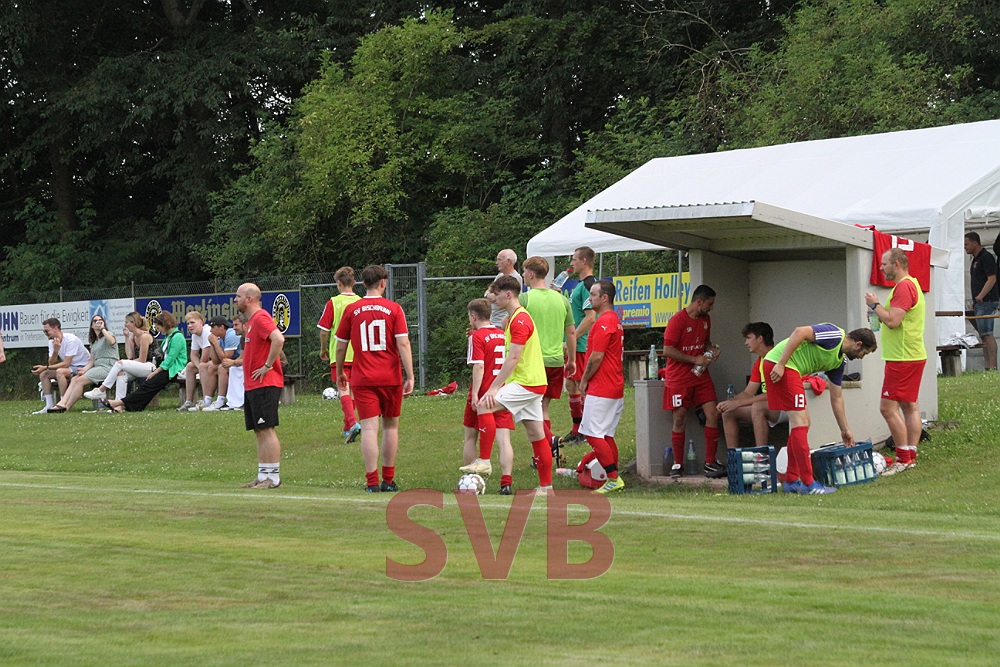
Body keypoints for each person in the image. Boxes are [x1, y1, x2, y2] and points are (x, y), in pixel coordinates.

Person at [765, 324, 878, 494]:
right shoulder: (834, 335)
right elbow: (800, 332)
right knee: (800, 422)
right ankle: (808, 483)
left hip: (788, 368)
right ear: (858, 344)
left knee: (803, 423)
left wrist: (845, 429)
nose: (862, 357)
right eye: (865, 353)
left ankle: (791, 480)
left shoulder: (839, 361)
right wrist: (781, 364)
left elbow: (836, 397)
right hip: (781, 365)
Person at [335, 265, 415, 493]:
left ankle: (372, 482)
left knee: (370, 429)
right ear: (383, 283)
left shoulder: (352, 309)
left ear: (363, 284)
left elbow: (341, 346)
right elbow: (403, 343)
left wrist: (340, 371)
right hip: (390, 376)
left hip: (363, 377)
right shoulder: (394, 309)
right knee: (390, 427)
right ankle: (388, 480)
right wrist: (410, 375)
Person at [479, 275, 554, 494]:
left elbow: (513, 358)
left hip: (526, 383)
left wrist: (494, 387)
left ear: (509, 294)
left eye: (497, 294)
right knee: (536, 434)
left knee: (484, 405)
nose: (494, 299)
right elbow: (491, 296)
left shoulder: (520, 320)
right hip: (533, 382)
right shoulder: (514, 318)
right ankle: (546, 487)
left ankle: (484, 460)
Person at [865, 248, 926, 475]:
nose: (881, 268)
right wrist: (879, 312)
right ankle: (911, 456)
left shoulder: (903, 287)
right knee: (909, 406)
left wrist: (875, 305)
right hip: (911, 354)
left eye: (884, 264)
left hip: (902, 357)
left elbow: (893, 321)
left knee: (887, 408)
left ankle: (903, 458)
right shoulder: (912, 284)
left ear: (897, 264)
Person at [661, 284, 723, 478]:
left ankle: (710, 462)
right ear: (699, 301)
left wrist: (711, 350)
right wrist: (694, 359)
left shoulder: (705, 320)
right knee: (679, 418)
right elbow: (667, 350)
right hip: (679, 378)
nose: (711, 308)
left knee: (713, 414)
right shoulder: (677, 321)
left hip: (700, 376)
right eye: (709, 304)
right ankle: (678, 464)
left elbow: (705, 342)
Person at [518, 256, 576, 459]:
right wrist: (572, 360)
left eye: (524, 271)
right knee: (543, 407)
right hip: (556, 361)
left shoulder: (525, 299)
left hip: (533, 362)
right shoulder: (561, 299)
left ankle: (548, 444)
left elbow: (509, 324)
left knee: (529, 410)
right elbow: (571, 332)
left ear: (531, 274)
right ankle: (544, 454)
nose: (522, 275)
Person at [458, 298, 516, 494]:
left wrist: (475, 393)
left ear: (473, 317)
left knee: (470, 436)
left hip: (484, 391)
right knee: (504, 438)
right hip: (502, 392)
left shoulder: (477, 337)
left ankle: (470, 479)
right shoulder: (502, 334)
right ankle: (506, 482)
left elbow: (479, 366)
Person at [236, 283, 286, 489]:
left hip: (265, 383)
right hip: (253, 385)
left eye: (238, 296)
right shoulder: (251, 322)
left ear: (249, 299)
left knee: (266, 429)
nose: (235, 300)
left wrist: (267, 366)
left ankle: (273, 478)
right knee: (259, 430)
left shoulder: (261, 318)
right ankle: (263, 475)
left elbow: (278, 339)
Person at [579, 280, 626, 494]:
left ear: (604, 297)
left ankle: (613, 478)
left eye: (593, 294)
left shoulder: (604, 321)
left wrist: (584, 380)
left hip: (602, 387)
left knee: (592, 434)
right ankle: (613, 476)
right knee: (606, 435)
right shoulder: (613, 319)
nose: (590, 298)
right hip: (614, 385)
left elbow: (596, 357)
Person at [718, 322, 787, 449]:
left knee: (757, 407)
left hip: (788, 406)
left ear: (760, 339)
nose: (746, 343)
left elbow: (774, 394)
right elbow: (748, 392)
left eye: (749, 338)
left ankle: (761, 456)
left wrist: (739, 403)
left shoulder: (777, 357)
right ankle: (733, 456)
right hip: (771, 405)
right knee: (728, 412)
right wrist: (729, 403)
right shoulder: (759, 361)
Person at [103, 312, 187, 414]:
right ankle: (133, 406)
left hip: (174, 370)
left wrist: (155, 372)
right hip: (167, 369)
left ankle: (118, 402)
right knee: (148, 385)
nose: (158, 329)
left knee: (149, 385)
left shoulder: (177, 337)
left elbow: (170, 360)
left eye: (158, 327)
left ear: (165, 325)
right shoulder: (168, 337)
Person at [318, 266, 362, 442]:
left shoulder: (333, 303)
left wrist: (323, 349)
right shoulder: (361, 302)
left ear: (338, 283)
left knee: (343, 388)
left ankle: (352, 423)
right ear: (354, 282)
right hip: (359, 353)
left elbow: (324, 331)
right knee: (353, 391)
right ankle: (347, 427)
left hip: (340, 353)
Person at [561, 246, 598, 446]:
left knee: (581, 385)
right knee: (571, 384)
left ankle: (586, 430)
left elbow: (591, 317)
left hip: (582, 344)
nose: (571, 263)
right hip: (575, 343)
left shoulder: (590, 284)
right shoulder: (580, 284)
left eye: (574, 259)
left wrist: (573, 338)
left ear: (584, 261)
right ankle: (577, 429)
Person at [48, 314, 120, 412]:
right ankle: (62, 403)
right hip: (98, 366)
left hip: (109, 366)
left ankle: (67, 407)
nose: (98, 322)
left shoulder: (109, 334)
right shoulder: (94, 342)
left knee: (80, 380)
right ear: (92, 326)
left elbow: (111, 341)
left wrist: (103, 329)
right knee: (75, 378)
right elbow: (92, 360)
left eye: (100, 320)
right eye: (95, 321)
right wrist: (84, 369)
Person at [84, 312, 156, 401]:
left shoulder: (144, 336)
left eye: (126, 322)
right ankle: (118, 404)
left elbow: (142, 360)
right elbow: (130, 356)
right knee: (121, 374)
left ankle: (101, 390)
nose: (125, 325)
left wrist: (123, 363)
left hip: (151, 366)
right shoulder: (133, 336)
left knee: (120, 363)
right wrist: (127, 338)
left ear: (133, 323)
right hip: (140, 367)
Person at [30, 317, 92, 414]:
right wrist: (56, 351)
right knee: (44, 374)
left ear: (55, 328)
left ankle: (62, 404)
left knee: (60, 372)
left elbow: (66, 363)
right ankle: (49, 405)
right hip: (70, 368)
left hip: (83, 367)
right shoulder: (52, 341)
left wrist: (45, 367)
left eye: (47, 331)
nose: (45, 333)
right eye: (44, 331)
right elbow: (51, 363)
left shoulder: (71, 340)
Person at [964, 232, 998, 370]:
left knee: (987, 334)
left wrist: (981, 295)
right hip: (980, 303)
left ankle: (993, 366)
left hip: (987, 301)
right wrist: (976, 300)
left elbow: (992, 278)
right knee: (983, 335)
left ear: (975, 243)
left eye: (966, 244)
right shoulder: (975, 259)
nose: (965, 247)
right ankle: (988, 366)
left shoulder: (986, 257)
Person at [200, 316, 240, 411]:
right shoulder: (221, 337)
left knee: (222, 367)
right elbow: (215, 361)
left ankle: (220, 400)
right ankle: (207, 400)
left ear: (221, 327)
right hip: (232, 362)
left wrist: (215, 343)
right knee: (211, 367)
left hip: (241, 362)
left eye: (213, 327)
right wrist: (212, 344)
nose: (211, 331)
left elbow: (225, 357)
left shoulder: (231, 335)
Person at [177, 311, 212, 411]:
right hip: (208, 363)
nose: (190, 326)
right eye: (188, 323)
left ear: (201, 322)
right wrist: (198, 366)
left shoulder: (207, 331)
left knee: (203, 366)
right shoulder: (195, 335)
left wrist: (200, 366)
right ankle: (189, 401)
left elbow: (206, 355)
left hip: (219, 360)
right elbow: (193, 355)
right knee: (190, 366)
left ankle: (206, 400)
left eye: (192, 322)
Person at [486, 248, 522, 328]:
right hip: (493, 320)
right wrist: (490, 294)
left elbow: (496, 296)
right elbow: (488, 292)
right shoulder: (499, 276)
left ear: (508, 261)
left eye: (499, 260)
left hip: (502, 323)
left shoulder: (515, 278)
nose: (496, 263)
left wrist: (492, 295)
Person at [219, 313, 246, 410]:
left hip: (273, 365)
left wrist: (233, 362)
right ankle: (233, 402)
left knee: (237, 368)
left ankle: (243, 401)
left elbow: (249, 360)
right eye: (233, 325)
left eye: (236, 325)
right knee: (233, 369)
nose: (233, 328)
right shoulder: (243, 338)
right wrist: (231, 363)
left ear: (245, 325)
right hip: (253, 363)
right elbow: (242, 357)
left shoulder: (252, 336)